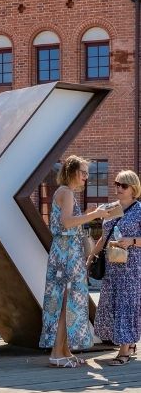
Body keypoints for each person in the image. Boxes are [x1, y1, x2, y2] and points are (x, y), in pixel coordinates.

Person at [40, 156, 115, 367]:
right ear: (72, 172)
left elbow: (68, 222)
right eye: (83, 172)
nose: (86, 176)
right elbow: (66, 223)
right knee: (67, 302)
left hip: (65, 251)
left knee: (67, 301)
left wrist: (86, 214)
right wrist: (95, 214)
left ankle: (64, 351)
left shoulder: (64, 192)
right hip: (66, 254)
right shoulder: (66, 192)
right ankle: (57, 354)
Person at [96, 170, 141, 364]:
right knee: (112, 305)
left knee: (126, 305)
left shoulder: (139, 210)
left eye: (124, 185)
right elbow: (103, 237)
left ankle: (124, 352)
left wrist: (132, 240)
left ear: (133, 188)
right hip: (112, 266)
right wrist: (91, 257)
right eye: (117, 184)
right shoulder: (110, 208)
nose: (119, 188)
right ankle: (129, 344)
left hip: (131, 267)